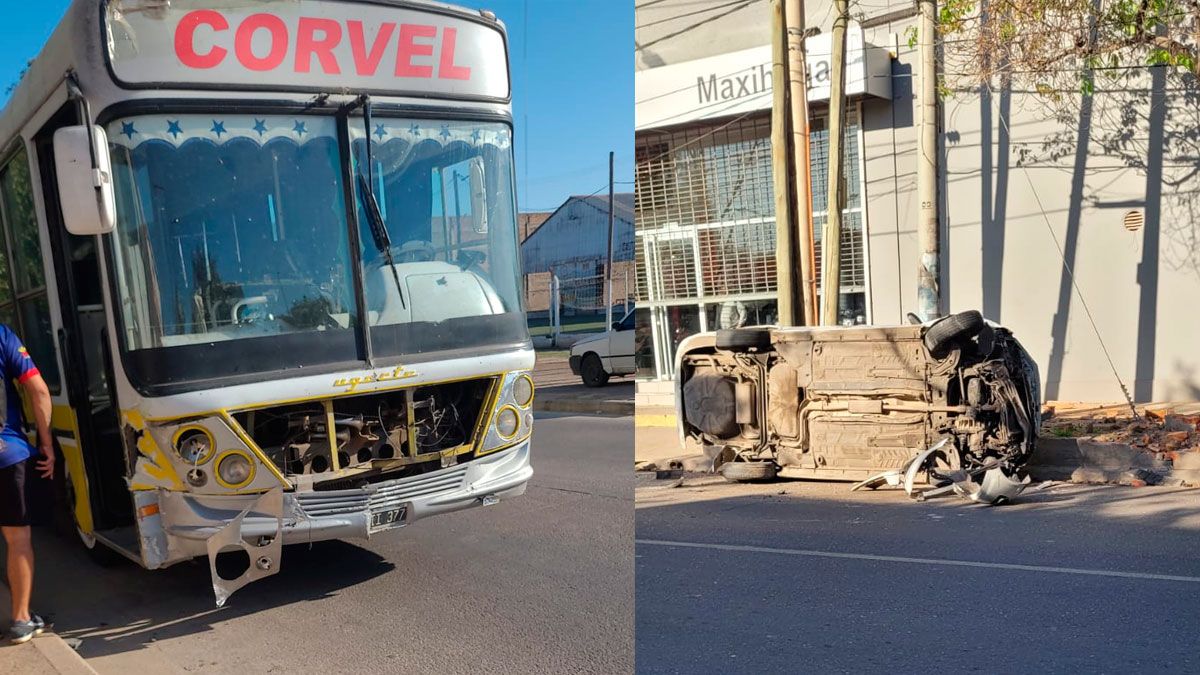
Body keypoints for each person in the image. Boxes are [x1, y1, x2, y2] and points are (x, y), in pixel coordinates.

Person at [0, 324, 54, 644]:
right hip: (7, 455)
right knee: (18, 539)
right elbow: (40, 391)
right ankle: (21, 619)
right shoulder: (3, 336)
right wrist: (46, 444)